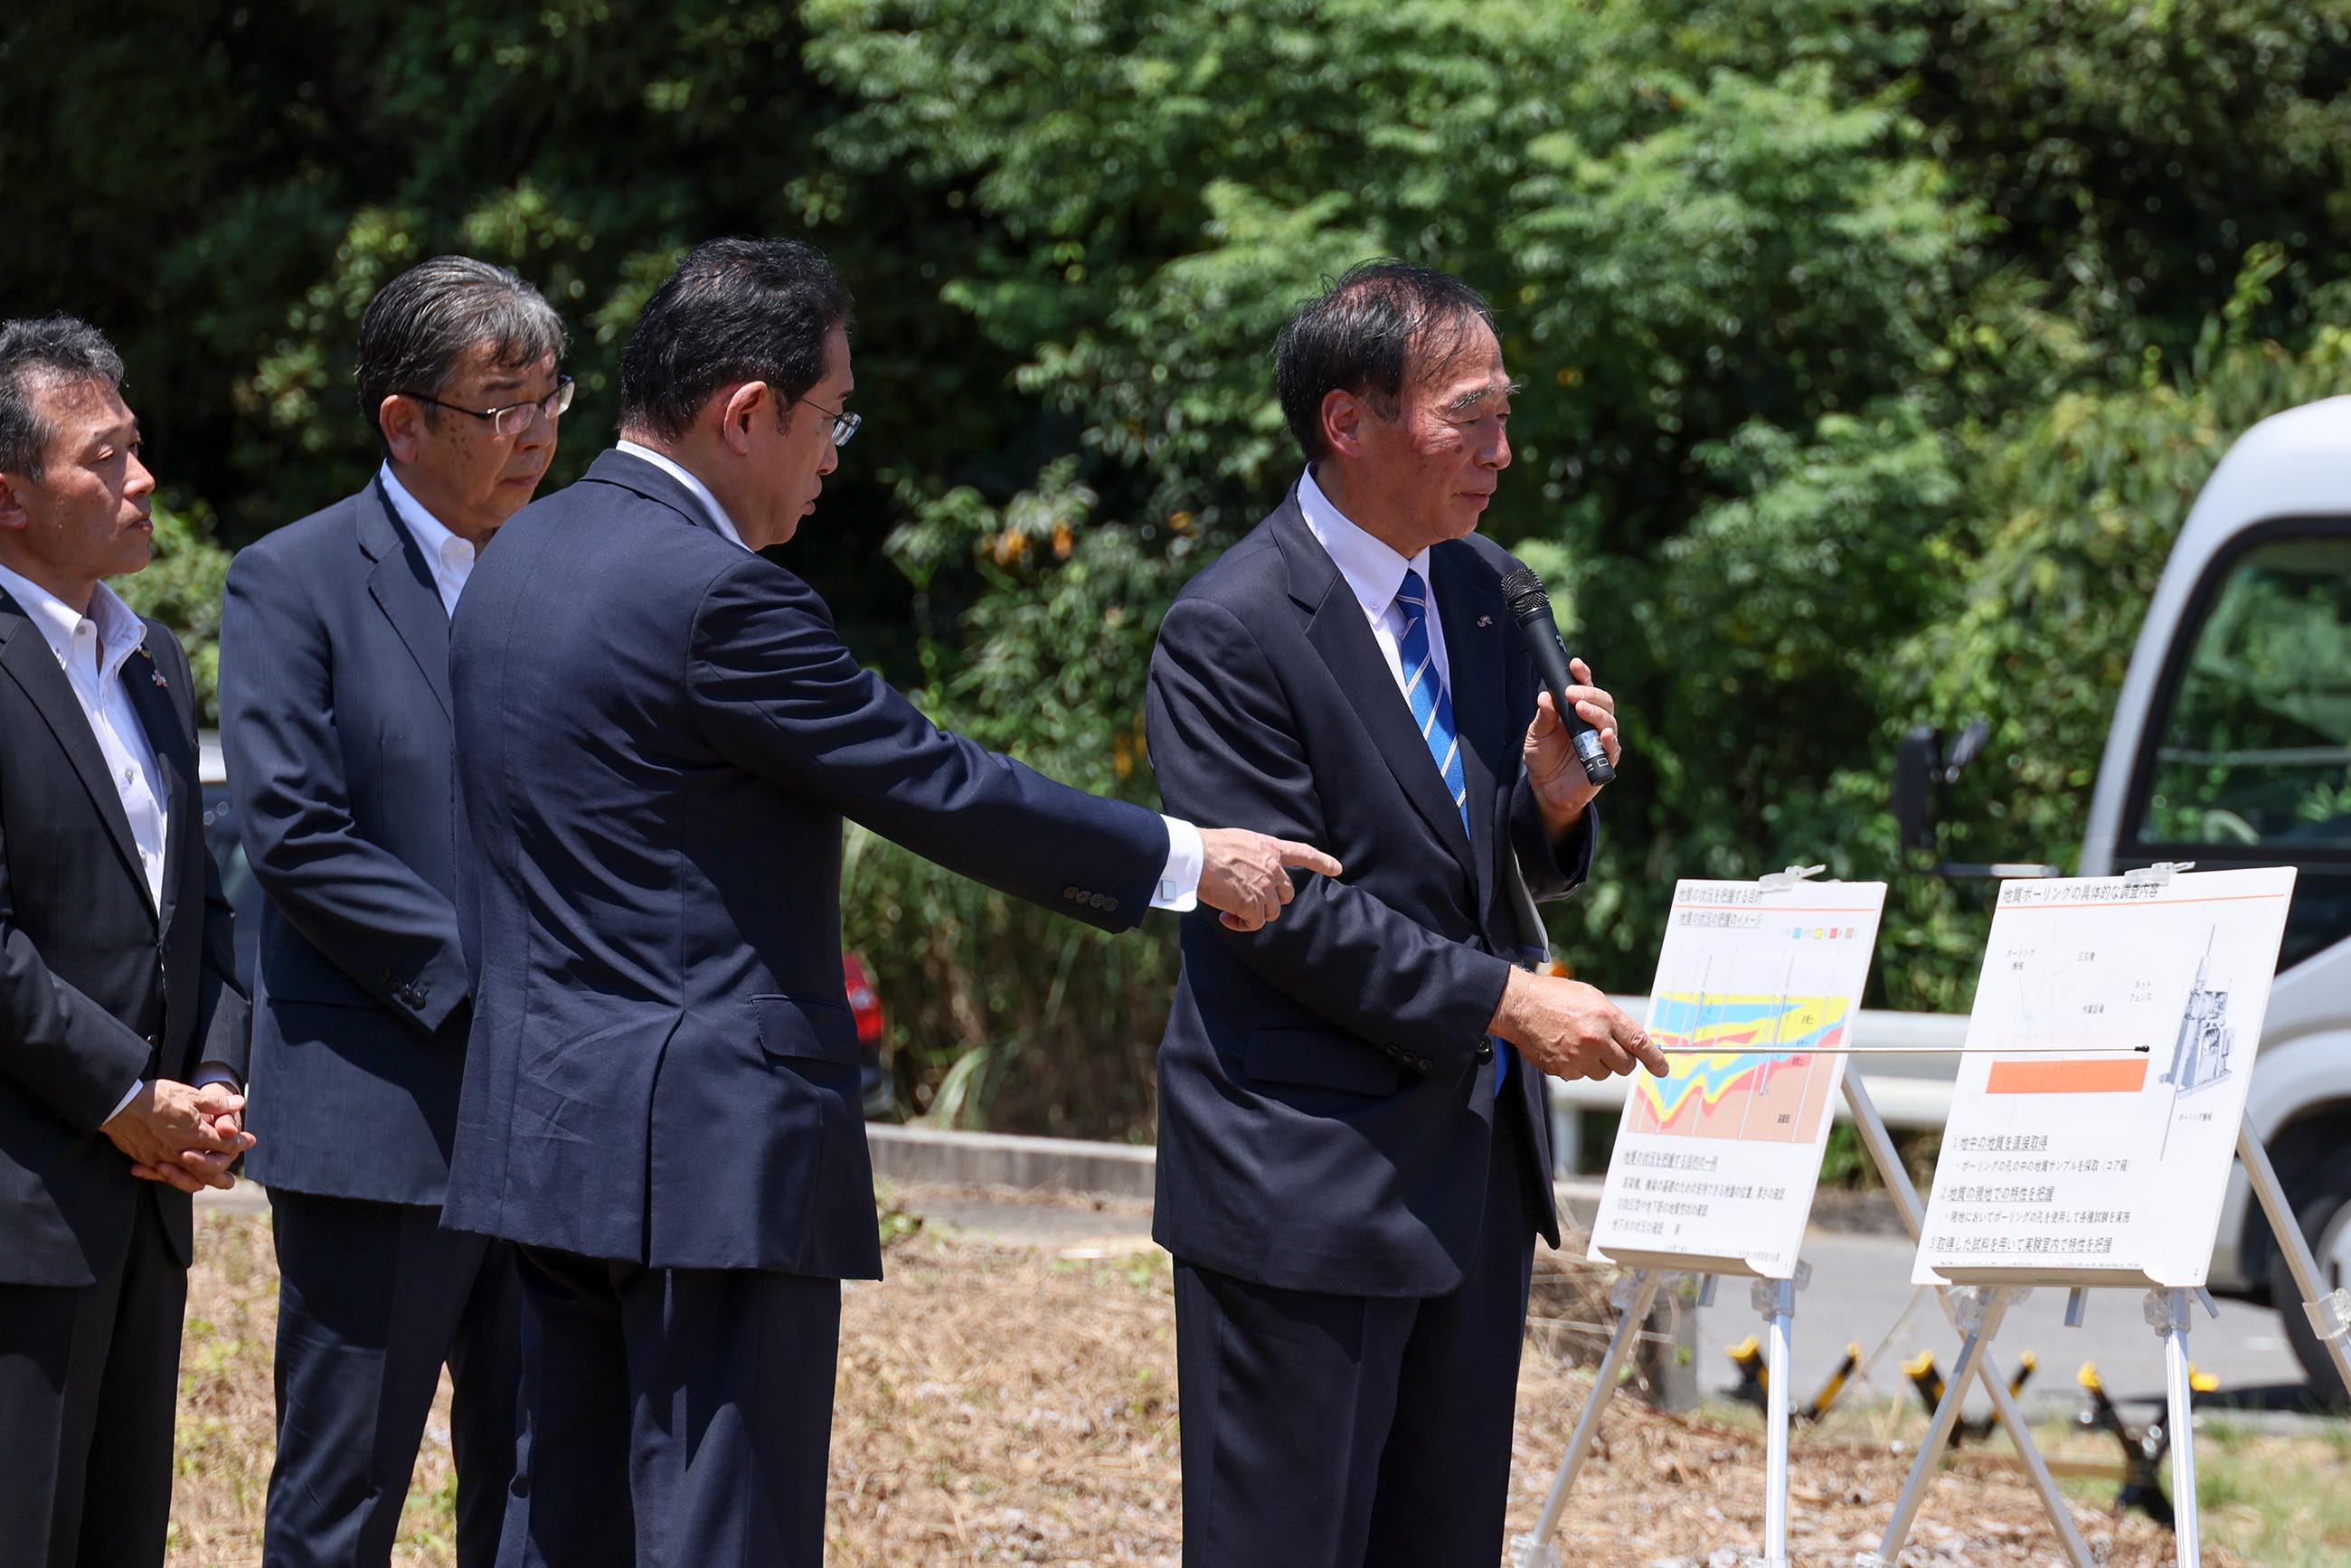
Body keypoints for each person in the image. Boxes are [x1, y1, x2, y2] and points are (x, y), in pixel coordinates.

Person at [439, 236, 1339, 1564]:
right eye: (828, 417)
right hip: (709, 1158)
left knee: (558, 1519)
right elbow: (931, 781)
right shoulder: (719, 597)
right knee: (718, 1524)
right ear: (746, 411)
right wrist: (1193, 859)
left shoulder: (512, 556)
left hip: (543, 1131)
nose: (834, 454)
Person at [1144, 261, 1669, 1566]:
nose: (1504, 449)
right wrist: (1512, 1003)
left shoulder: (1482, 588)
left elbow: (1458, 866)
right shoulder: (1229, 628)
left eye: (1505, 414)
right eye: (1471, 416)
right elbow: (1288, 914)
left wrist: (1546, 809)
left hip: (1469, 1172)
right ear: (1348, 420)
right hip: (1303, 1181)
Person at [219, 256, 567, 1566]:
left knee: (544, 1482)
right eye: (501, 405)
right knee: (343, 1490)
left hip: (550, 1121)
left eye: (550, 398)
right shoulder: (291, 578)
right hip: (380, 1113)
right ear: (402, 421)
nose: (534, 432)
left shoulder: (569, 571)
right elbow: (298, 831)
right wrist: (492, 984)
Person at [0, 314, 253, 1566]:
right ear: (10, 498)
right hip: (23, 1198)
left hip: (148, 1197)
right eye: (103, 458)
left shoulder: (153, 657)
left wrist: (210, 1080)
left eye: (135, 445)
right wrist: (118, 1092)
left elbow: (199, 906)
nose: (140, 479)